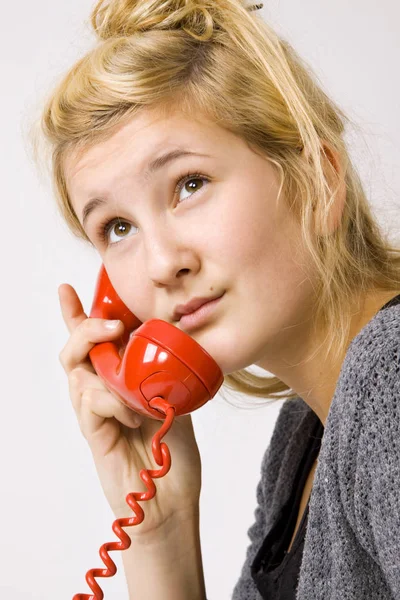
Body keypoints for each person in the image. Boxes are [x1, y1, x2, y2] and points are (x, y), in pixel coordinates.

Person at [30, 1, 400, 598]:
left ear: (318, 181)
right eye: (117, 227)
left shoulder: (389, 375)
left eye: (189, 185)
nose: (160, 264)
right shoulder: (302, 438)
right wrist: (160, 528)